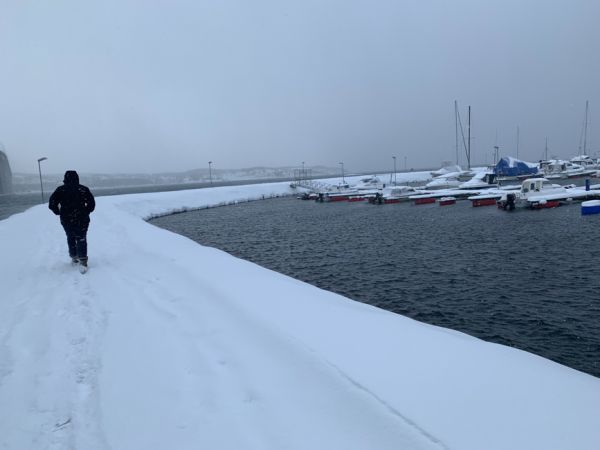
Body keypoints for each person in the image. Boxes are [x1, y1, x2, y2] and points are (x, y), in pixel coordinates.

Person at [49, 170, 95, 270]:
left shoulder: (61, 190)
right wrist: (86, 211)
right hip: (82, 218)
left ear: (65, 179)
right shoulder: (83, 189)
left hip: (66, 219)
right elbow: (92, 204)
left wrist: (58, 212)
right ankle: (83, 261)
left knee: (70, 237)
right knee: (81, 237)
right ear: (77, 178)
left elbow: (52, 204)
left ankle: (74, 257)